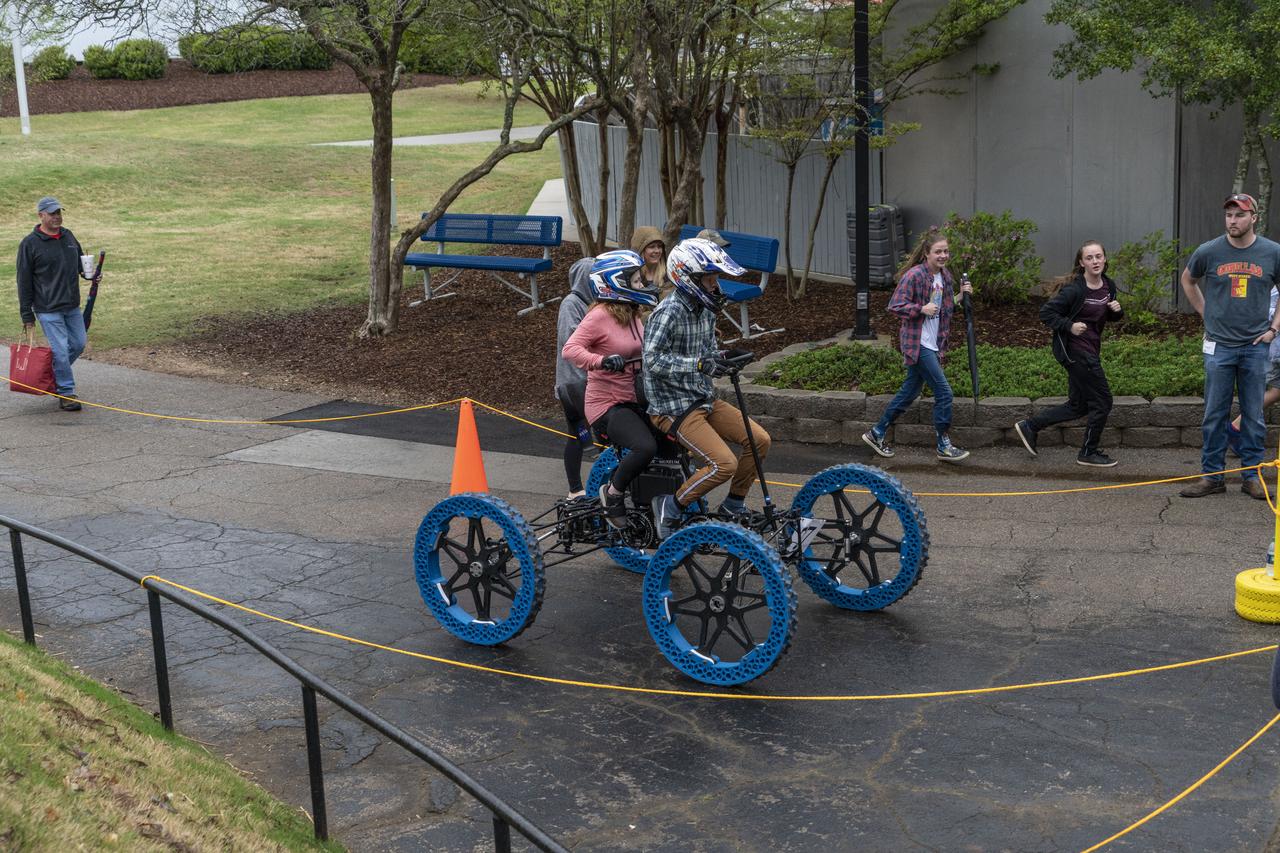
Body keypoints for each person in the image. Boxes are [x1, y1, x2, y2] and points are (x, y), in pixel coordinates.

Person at [642, 237, 771, 539]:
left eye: (715, 278)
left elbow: (708, 352)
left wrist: (724, 358)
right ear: (687, 278)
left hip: (703, 399)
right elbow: (652, 361)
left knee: (760, 440)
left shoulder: (705, 309)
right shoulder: (668, 311)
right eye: (710, 279)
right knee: (722, 464)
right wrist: (699, 364)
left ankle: (733, 504)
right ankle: (670, 506)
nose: (715, 285)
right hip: (671, 407)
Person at [1179, 192, 1280, 500]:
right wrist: (1204, 312)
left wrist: (1273, 329)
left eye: (1239, 215)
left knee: (1253, 415)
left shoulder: (1272, 252)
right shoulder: (1209, 251)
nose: (1232, 221)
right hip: (1219, 346)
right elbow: (1188, 280)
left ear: (1254, 218)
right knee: (1213, 413)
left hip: (1254, 346)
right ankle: (1213, 477)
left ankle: (1251, 476)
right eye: (1229, 215)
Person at [562, 250, 658, 528]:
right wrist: (601, 361)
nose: (642, 285)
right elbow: (571, 350)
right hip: (607, 403)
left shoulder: (632, 312)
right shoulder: (600, 315)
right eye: (637, 281)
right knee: (645, 447)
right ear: (616, 282)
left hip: (635, 396)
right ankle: (613, 493)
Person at [861, 227, 973, 462]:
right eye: (938, 252)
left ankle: (877, 432)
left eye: (946, 251)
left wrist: (961, 296)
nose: (943, 256)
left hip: (934, 343)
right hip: (917, 343)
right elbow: (895, 305)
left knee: (910, 392)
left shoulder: (945, 276)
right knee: (944, 393)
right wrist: (920, 309)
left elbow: (944, 307)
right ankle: (943, 444)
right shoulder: (914, 275)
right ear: (926, 253)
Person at [1013, 241, 1124, 467]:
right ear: (1081, 262)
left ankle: (1030, 426)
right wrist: (1069, 326)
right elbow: (1046, 313)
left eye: (1098, 257)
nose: (1095, 261)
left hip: (1091, 348)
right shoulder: (1075, 289)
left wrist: (1117, 312)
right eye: (1090, 258)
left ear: (1104, 259)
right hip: (1075, 351)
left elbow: (1104, 318)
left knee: (1078, 405)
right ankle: (1088, 452)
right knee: (1103, 401)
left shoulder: (1108, 286)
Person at [17, 196, 94, 412]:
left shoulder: (68, 236)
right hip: (47, 308)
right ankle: (66, 392)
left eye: (59, 212)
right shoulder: (29, 244)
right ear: (41, 215)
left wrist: (90, 275)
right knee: (60, 350)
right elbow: (23, 281)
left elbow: (80, 262)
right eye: (52, 213)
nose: (57, 217)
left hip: (71, 305)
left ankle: (49, 374)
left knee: (78, 343)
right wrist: (27, 315)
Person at [554, 256, 597, 498]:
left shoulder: (595, 305)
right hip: (573, 383)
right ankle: (575, 489)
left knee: (593, 436)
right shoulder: (571, 304)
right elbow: (570, 341)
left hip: (591, 380)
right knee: (577, 434)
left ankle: (594, 485)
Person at [1226, 284, 1280, 456]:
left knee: (1277, 390)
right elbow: (1270, 311)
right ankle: (1238, 428)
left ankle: (1237, 427)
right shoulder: (1272, 282)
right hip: (1275, 346)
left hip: (1272, 344)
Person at [630, 226, 669, 298]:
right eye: (652, 247)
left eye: (659, 246)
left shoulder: (668, 275)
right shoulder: (632, 275)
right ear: (641, 250)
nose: (657, 251)